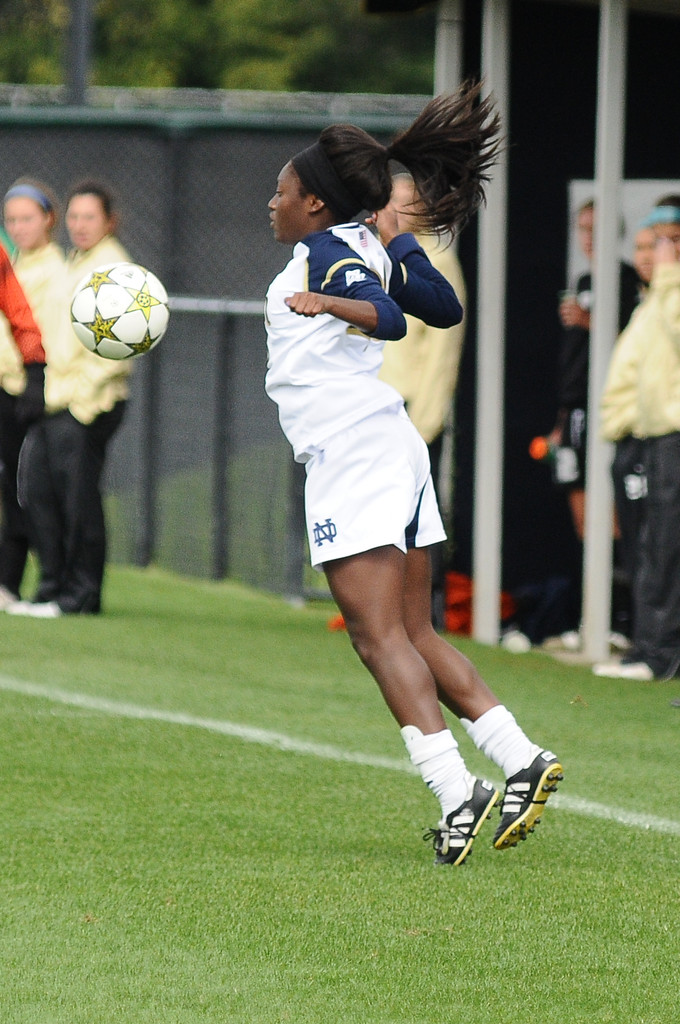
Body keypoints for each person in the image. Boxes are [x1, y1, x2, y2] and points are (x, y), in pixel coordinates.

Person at [264, 81, 563, 865]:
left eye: (285, 190)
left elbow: (395, 319)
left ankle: (454, 787)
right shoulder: (361, 244)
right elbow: (443, 307)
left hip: (354, 455)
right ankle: (521, 758)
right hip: (390, 446)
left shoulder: (322, 254)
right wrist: (396, 239)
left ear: (316, 206)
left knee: (375, 636)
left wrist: (332, 306)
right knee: (415, 630)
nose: (274, 201)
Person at [8, 180, 133, 618]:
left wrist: (82, 402)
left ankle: (80, 596)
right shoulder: (77, 261)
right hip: (56, 400)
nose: (80, 226)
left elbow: (121, 346)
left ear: (109, 221)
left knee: (77, 500)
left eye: (90, 217)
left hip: (85, 405)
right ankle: (51, 589)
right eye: (75, 217)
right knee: (40, 495)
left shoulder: (114, 267)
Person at [546, 199, 641, 647]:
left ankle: (622, 622)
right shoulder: (582, 280)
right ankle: (592, 620)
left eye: (597, 230)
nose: (589, 239)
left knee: (616, 520)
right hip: (576, 414)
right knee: (584, 522)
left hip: (611, 411)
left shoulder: (627, 280)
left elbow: (629, 344)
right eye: (582, 230)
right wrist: (562, 419)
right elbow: (574, 362)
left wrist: (591, 320)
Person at [377, 172, 466, 629]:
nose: (396, 209)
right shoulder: (376, 253)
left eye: (406, 200)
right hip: (379, 405)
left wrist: (426, 420)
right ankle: (387, 608)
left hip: (413, 410)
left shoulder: (435, 258)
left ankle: (427, 612)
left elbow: (442, 349)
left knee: (419, 515)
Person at [596, 198, 680, 680]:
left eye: (663, 245)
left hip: (669, 437)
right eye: (646, 246)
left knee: (664, 547)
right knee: (647, 547)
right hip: (644, 438)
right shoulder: (652, 298)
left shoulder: (669, 293)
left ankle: (659, 654)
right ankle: (648, 647)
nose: (651, 256)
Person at [0, 179, 65, 607]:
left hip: (19, 389)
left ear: (47, 220)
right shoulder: (17, 262)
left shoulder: (54, 272)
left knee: (18, 489)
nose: (19, 227)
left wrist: (36, 379)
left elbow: (28, 326)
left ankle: (20, 584)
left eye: (28, 218)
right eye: (12, 220)